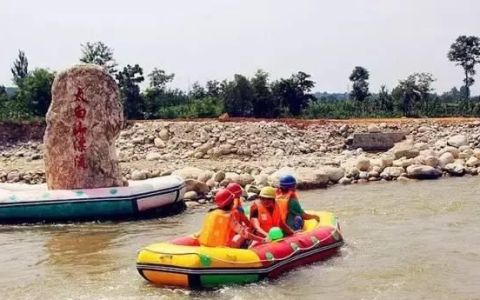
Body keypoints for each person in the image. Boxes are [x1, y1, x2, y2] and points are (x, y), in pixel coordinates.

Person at [197, 188, 263, 248]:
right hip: (221, 250)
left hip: (203, 246)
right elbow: (245, 234)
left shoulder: (210, 213)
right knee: (244, 233)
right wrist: (261, 240)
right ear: (230, 202)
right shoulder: (228, 216)